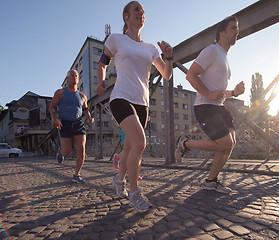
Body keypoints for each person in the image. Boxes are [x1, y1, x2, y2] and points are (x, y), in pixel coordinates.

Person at [96, 1, 173, 212]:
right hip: (121, 98)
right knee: (140, 143)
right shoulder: (115, 39)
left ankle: (118, 179)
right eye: (137, 9)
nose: (141, 13)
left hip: (142, 103)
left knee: (129, 146)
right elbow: (102, 63)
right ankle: (135, 193)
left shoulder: (150, 48)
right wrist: (101, 81)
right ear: (126, 16)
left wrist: (168, 57)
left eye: (143, 11)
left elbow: (166, 74)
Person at [175, 16, 245, 193]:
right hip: (205, 106)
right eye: (233, 28)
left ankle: (210, 181)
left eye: (237, 28)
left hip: (219, 106)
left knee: (231, 143)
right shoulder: (212, 50)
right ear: (221, 31)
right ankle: (185, 144)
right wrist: (207, 93)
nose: (237, 32)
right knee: (224, 143)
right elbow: (190, 75)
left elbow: (219, 92)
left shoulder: (225, 57)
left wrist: (234, 93)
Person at [50, 69, 94, 183]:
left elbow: (85, 109)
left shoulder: (82, 96)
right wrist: (55, 118)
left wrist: (89, 117)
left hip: (78, 124)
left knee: (82, 149)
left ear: (78, 79)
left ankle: (77, 174)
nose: (75, 77)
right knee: (67, 152)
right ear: (67, 78)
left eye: (76, 76)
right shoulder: (60, 93)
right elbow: (52, 107)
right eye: (72, 75)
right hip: (64, 124)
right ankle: (61, 152)